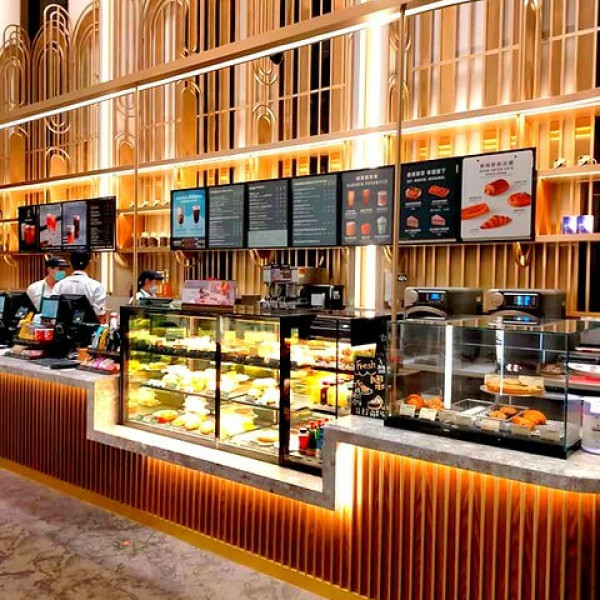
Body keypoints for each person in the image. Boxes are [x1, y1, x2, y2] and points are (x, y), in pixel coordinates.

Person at [53, 250, 107, 322]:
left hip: (64, 327)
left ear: (70, 264)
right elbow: (100, 314)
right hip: (88, 328)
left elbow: (53, 311)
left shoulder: (59, 285)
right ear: (89, 263)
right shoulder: (97, 286)